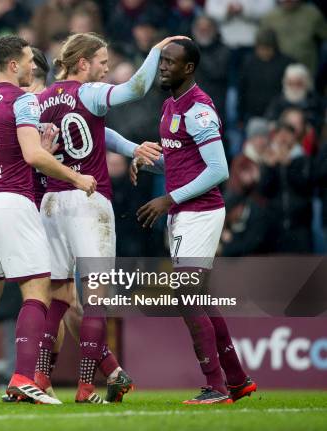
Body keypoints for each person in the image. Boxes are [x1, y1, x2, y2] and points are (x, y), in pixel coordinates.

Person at [37, 32, 177, 404]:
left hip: (51, 201)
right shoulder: (91, 92)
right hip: (88, 198)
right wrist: (156, 52)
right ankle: (85, 387)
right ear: (82, 63)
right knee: (96, 297)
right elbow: (136, 88)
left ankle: (38, 377)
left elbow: (96, 130)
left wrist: (131, 148)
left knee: (58, 296)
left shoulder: (41, 99)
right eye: (102, 60)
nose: (106, 67)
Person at [0, 34, 97, 405]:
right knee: (38, 289)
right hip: (12, 200)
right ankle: (24, 377)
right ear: (12, 65)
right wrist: (76, 177)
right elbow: (31, 155)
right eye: (28, 61)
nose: (33, 67)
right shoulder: (22, 100)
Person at [131, 39, 257, 404]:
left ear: (189, 68)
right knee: (196, 296)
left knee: (187, 295)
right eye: (162, 61)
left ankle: (215, 386)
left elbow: (219, 170)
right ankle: (235, 379)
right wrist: (148, 161)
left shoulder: (198, 109)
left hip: (200, 212)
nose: (164, 67)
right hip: (183, 212)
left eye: (171, 62)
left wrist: (168, 197)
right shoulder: (171, 104)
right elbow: (185, 163)